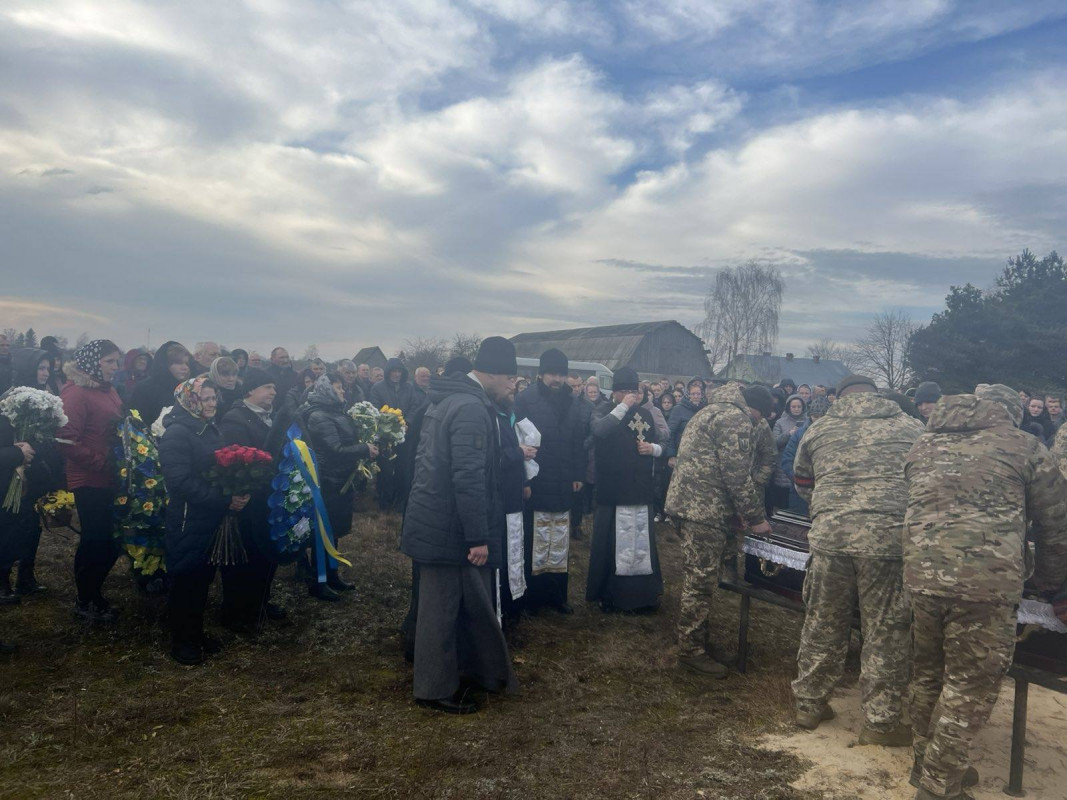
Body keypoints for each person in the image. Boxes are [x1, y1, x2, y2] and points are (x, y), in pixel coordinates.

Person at [905, 384, 1067, 800]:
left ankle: (927, 763)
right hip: (986, 583)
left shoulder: (925, 443)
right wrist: (1048, 582)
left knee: (928, 673)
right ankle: (939, 786)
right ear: (1011, 412)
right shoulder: (1025, 446)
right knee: (971, 684)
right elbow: (1056, 525)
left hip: (922, 575)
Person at [791, 374, 925, 743]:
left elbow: (802, 482)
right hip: (888, 544)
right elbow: (926, 483)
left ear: (839, 397)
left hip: (831, 539)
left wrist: (830, 510)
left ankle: (809, 704)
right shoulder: (912, 428)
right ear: (876, 395)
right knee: (886, 631)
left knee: (822, 622)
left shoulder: (820, 429)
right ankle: (881, 723)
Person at [401, 336, 519, 714]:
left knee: (462, 603)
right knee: (440, 609)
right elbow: (468, 477)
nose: (514, 385)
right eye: (511, 378)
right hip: (448, 526)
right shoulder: (469, 408)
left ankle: (472, 672)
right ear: (494, 373)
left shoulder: (451, 398)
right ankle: (433, 690)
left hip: (436, 519)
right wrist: (478, 536)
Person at [666, 382, 772, 677]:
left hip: (691, 505)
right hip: (703, 510)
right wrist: (755, 517)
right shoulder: (734, 418)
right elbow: (737, 475)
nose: (758, 424)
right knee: (699, 581)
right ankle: (690, 651)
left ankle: (699, 641)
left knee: (702, 578)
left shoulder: (710, 411)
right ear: (756, 409)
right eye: (760, 418)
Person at [159, 377, 249, 665]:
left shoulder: (208, 427)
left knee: (202, 579)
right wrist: (224, 500)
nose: (212, 404)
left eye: (213, 398)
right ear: (190, 400)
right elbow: (179, 481)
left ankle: (195, 634)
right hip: (189, 518)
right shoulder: (178, 433)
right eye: (205, 399)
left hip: (209, 517)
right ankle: (182, 642)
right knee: (187, 579)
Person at [514, 348, 587, 614]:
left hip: (565, 477)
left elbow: (578, 440)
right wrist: (524, 480)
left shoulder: (573, 401)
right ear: (542, 374)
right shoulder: (525, 399)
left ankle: (557, 595)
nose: (557, 379)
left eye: (561, 374)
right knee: (536, 536)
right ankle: (531, 597)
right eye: (552, 374)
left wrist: (578, 473)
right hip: (538, 478)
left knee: (559, 538)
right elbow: (518, 442)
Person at [586, 368, 664, 612]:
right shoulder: (602, 410)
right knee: (612, 545)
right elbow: (599, 431)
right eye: (628, 392)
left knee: (641, 544)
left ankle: (642, 596)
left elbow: (662, 441)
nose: (633, 396)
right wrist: (621, 408)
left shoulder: (645, 415)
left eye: (636, 391)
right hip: (613, 491)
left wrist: (654, 449)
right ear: (616, 392)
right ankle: (611, 596)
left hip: (639, 490)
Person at [58, 340, 125, 625]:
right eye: (110, 361)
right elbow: (65, 441)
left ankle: (94, 592)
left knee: (110, 541)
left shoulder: (108, 390)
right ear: (93, 362)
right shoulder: (76, 393)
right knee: (96, 540)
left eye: (116, 362)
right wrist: (101, 462)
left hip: (110, 477)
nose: (115, 367)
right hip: (89, 478)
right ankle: (86, 600)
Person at [299, 374, 378, 599]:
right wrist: (364, 449)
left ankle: (332, 575)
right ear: (327, 389)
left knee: (333, 532)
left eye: (343, 387)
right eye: (338, 387)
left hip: (341, 480)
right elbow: (334, 450)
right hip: (328, 482)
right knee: (323, 532)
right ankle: (318, 581)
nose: (343, 391)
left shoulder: (335, 411)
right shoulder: (318, 415)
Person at [218, 367, 285, 629]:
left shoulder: (271, 417)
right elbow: (236, 462)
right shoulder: (236, 419)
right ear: (250, 391)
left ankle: (260, 602)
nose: (273, 391)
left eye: (274, 387)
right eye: (267, 387)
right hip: (247, 503)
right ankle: (237, 613)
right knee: (244, 560)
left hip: (269, 500)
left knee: (265, 555)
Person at [0, 348, 62, 602]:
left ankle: (26, 576)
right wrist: (19, 451)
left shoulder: (47, 399)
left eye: (47, 368)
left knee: (31, 527)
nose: (45, 373)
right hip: (10, 475)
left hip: (35, 471)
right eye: (40, 367)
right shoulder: (9, 400)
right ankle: (3, 579)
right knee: (9, 527)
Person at [370, 358, 416, 512]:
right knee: (386, 470)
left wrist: (407, 422)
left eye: (399, 371)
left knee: (403, 469)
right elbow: (375, 409)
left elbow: (415, 406)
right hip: (385, 437)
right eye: (394, 371)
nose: (397, 374)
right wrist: (389, 425)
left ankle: (400, 501)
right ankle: (385, 501)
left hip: (405, 436)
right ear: (388, 372)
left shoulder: (409, 388)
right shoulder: (377, 388)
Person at [781, 396, 829, 515]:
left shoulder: (833, 435)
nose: (818, 420)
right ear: (810, 415)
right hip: (799, 493)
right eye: (815, 416)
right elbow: (787, 459)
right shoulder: (799, 434)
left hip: (826, 492)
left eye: (822, 417)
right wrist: (798, 481)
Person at [129, 341, 191, 428]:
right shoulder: (145, 389)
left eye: (186, 363)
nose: (185, 367)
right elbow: (136, 424)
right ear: (165, 364)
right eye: (178, 363)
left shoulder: (187, 389)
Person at [771, 394, 808, 509]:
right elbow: (774, 443)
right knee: (781, 503)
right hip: (782, 465)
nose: (796, 409)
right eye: (793, 407)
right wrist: (789, 434)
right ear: (788, 408)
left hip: (801, 465)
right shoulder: (780, 422)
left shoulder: (808, 422)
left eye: (799, 406)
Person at [667, 379, 705, 460]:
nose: (696, 396)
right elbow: (671, 433)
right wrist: (671, 455)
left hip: (700, 454)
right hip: (681, 452)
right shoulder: (678, 409)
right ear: (688, 395)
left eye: (698, 394)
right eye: (693, 394)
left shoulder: (705, 409)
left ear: (702, 395)